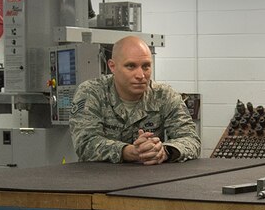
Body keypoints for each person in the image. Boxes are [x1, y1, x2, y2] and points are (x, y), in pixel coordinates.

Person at [69, 36, 202, 164]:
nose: (141, 75)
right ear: (112, 66)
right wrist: (128, 152)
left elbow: (191, 139)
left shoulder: (164, 95)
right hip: (101, 180)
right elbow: (85, 144)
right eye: (131, 66)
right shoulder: (92, 93)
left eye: (146, 66)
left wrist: (164, 151)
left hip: (150, 180)